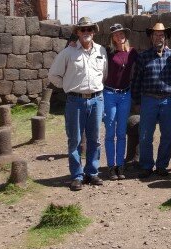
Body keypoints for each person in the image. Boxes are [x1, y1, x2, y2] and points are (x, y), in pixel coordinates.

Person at [48, 16, 107, 191]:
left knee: (95, 139)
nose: (86, 32)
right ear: (78, 33)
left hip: (97, 99)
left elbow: (104, 75)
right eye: (83, 29)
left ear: (94, 31)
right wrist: (67, 87)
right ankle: (77, 176)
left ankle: (92, 172)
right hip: (75, 101)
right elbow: (53, 75)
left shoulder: (101, 51)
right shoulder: (68, 52)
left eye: (89, 29)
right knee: (75, 140)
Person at [131, 23, 171, 178]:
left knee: (167, 135)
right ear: (151, 37)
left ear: (165, 37)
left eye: (161, 35)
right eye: (156, 35)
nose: (159, 37)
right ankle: (146, 165)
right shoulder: (143, 56)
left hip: (168, 100)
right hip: (148, 99)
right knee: (145, 135)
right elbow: (136, 80)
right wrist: (137, 101)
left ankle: (162, 165)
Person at [103, 23, 139, 180]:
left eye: (122, 33)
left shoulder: (132, 53)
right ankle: (111, 166)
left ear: (126, 35)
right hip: (110, 94)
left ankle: (120, 165)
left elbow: (144, 63)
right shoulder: (107, 52)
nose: (120, 36)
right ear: (112, 38)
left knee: (122, 132)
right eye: (116, 34)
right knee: (110, 131)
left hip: (125, 94)